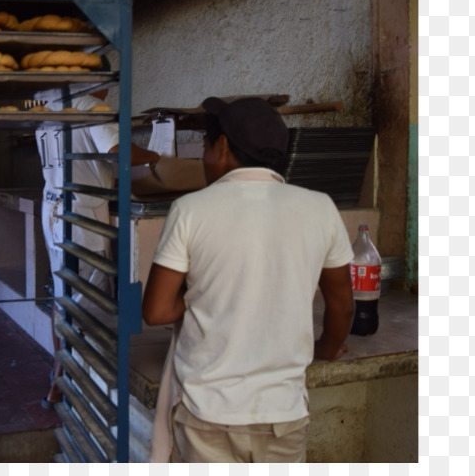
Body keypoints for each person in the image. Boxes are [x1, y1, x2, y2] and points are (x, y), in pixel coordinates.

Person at [141, 96, 355, 463]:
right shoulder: (320, 207)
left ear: (221, 146)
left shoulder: (191, 209)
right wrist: (327, 348)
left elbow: (157, 311)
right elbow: (342, 304)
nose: (204, 158)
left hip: (208, 414)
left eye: (206, 146)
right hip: (283, 415)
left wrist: (203, 298)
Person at [38, 89, 160, 407]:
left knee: (63, 295)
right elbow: (117, 149)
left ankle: (58, 375)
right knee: (86, 301)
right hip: (82, 216)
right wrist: (154, 156)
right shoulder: (91, 105)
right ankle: (66, 382)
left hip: (53, 207)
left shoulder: (49, 107)